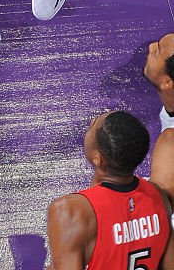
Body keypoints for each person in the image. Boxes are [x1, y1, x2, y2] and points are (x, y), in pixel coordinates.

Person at [47, 110, 174, 269]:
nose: (91, 122)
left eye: (92, 126)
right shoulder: (159, 197)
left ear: (98, 159)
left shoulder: (71, 211)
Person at [144, 32, 174, 206]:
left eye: (157, 51)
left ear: (167, 82)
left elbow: (156, 210)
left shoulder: (170, 143)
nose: (151, 47)